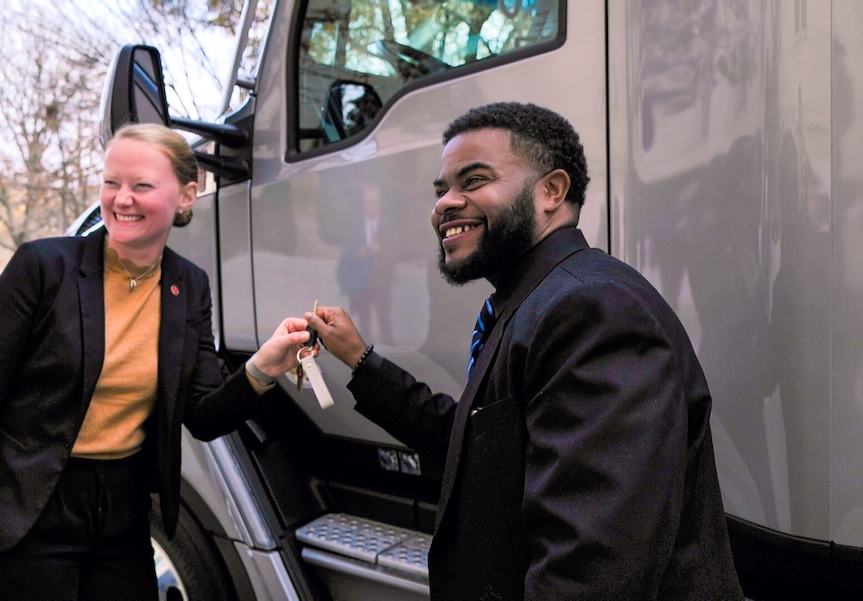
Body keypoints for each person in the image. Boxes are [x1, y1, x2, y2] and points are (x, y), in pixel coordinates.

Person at [306, 102, 744, 600]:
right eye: (442, 189)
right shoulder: (536, 301)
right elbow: (475, 442)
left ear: (551, 192)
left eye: (472, 181)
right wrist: (359, 360)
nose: (445, 203)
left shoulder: (591, 309)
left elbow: (587, 573)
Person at [0, 123, 312, 601]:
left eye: (142, 185)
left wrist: (262, 368)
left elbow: (202, 414)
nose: (121, 199)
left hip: (124, 514)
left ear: (187, 195)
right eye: (112, 182)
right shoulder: (41, 268)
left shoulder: (189, 286)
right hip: (32, 506)